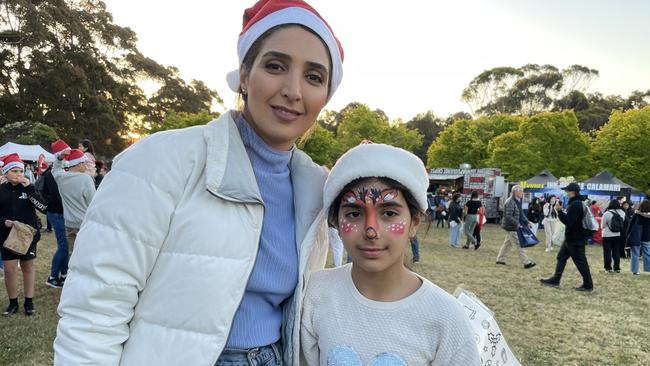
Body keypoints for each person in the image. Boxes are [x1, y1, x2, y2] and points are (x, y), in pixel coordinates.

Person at [54, 1, 344, 364]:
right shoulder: (160, 160)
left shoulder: (314, 188)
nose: (293, 89)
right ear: (244, 71)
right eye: (275, 66)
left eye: (314, 77)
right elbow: (94, 308)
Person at [301, 142, 480, 365]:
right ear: (336, 222)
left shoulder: (445, 316)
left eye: (389, 213)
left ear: (414, 222)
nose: (371, 230)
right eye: (354, 214)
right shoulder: (316, 293)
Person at [0, 153, 48, 316]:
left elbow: (43, 208)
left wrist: (30, 189)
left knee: (28, 267)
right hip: (7, 236)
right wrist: (3, 221)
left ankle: (29, 301)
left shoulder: (29, 188)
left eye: (20, 171)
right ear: (5, 173)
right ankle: (13, 303)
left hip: (28, 236)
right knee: (9, 269)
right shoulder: (1, 189)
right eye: (14, 171)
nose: (19, 175)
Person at [540, 183, 594, 291]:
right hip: (573, 238)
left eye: (567, 191)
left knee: (580, 262)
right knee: (561, 257)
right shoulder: (579, 203)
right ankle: (556, 279)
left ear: (572, 192)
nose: (566, 193)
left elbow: (569, 222)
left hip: (575, 239)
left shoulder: (575, 204)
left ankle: (588, 285)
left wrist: (559, 211)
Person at [51, 144, 96, 257]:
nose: (86, 166)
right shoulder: (85, 178)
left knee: (73, 255)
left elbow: (55, 168)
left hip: (69, 223)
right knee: (86, 255)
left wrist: (60, 158)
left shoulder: (61, 177)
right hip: (84, 223)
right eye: (84, 163)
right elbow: (93, 202)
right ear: (78, 164)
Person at [38, 147, 70, 288]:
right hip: (56, 212)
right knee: (63, 246)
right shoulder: (53, 174)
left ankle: (64, 274)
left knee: (65, 246)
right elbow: (54, 195)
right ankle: (52, 277)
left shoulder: (59, 172)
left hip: (58, 212)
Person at [496, 185, 537, 269]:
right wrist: (517, 223)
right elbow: (508, 216)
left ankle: (500, 259)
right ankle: (526, 262)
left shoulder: (517, 201)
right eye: (521, 191)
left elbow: (521, 213)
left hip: (512, 225)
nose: (523, 193)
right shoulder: (510, 202)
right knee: (518, 244)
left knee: (508, 243)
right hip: (511, 226)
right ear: (516, 192)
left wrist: (527, 222)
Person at [601, 200, 626, 273]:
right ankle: (617, 268)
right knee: (616, 252)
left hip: (606, 235)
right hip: (617, 235)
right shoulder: (622, 213)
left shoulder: (607, 213)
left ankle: (608, 268)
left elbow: (602, 226)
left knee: (607, 252)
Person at [627, 200, 650, 275]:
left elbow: (631, 225)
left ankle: (635, 270)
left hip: (636, 236)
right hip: (647, 236)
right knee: (647, 253)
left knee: (635, 254)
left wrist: (627, 234)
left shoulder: (636, 214)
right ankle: (648, 269)